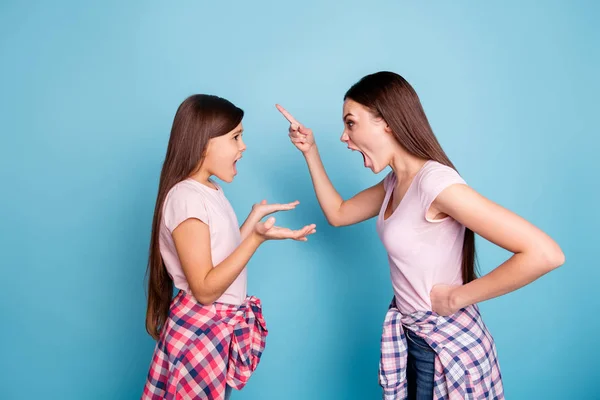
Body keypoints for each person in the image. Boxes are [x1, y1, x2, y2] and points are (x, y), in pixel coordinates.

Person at [276, 71, 564, 399]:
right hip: (414, 339)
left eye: (351, 123)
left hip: (444, 347)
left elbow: (545, 253)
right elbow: (339, 213)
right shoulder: (394, 183)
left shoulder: (434, 183)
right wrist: (310, 152)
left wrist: (458, 297)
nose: (344, 136)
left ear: (386, 121)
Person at [142, 94, 316, 400]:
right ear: (204, 142)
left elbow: (217, 258)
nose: (243, 146)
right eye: (236, 137)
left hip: (212, 330)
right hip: (200, 332)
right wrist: (255, 240)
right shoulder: (186, 198)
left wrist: (252, 222)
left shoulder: (208, 191)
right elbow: (206, 289)